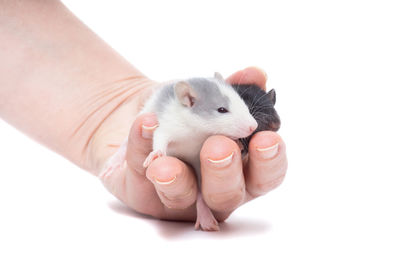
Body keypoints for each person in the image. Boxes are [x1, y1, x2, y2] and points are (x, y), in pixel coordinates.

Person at [0, 1, 288, 223]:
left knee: (202, 170)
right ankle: (120, 154)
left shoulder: (210, 114)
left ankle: (203, 210)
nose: (249, 124)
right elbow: (161, 132)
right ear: (189, 102)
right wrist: (156, 151)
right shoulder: (179, 113)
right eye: (225, 111)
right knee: (140, 132)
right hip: (159, 120)